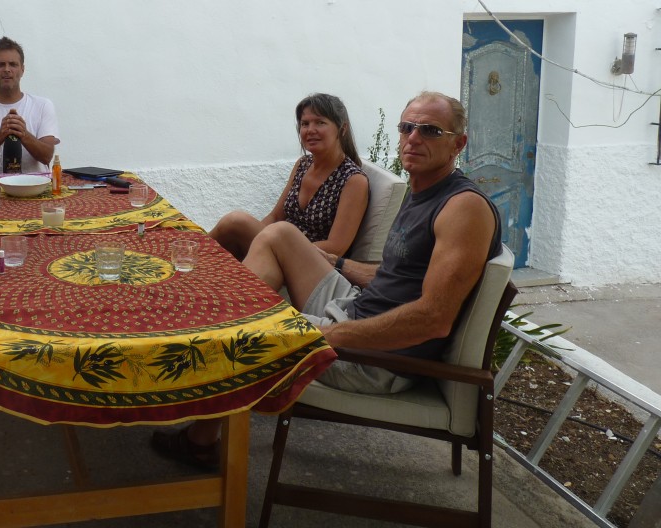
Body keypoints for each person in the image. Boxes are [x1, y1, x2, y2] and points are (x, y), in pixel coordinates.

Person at [151, 91, 502, 470]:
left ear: (458, 143)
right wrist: (339, 263)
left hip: (376, 358)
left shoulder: (463, 208)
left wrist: (326, 334)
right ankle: (203, 321)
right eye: (407, 127)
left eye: (430, 130)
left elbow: (433, 319)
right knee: (280, 235)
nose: (413, 138)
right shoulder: (425, 192)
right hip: (357, 310)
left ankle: (200, 435)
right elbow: (398, 276)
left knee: (247, 331)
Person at [208, 93, 369, 260]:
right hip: (276, 247)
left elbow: (336, 247)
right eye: (305, 124)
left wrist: (272, 245)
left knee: (236, 221)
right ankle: (193, 258)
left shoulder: (353, 180)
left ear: (343, 128)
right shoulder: (303, 165)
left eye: (320, 122)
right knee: (232, 234)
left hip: (309, 261)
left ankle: (193, 253)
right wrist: (257, 239)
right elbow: (276, 216)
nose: (310, 130)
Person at [0, 37, 60, 174]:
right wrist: (1, 134)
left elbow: (46, 156)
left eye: (13, 64)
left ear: (22, 69)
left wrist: (23, 134)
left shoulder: (43, 106)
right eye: (0, 65)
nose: (7, 70)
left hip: (36, 185)